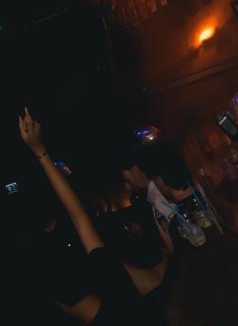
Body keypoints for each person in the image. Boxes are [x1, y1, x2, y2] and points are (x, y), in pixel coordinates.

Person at [18, 108, 165, 324]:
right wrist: (40, 151)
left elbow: (80, 219)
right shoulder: (113, 282)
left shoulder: (111, 285)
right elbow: (80, 218)